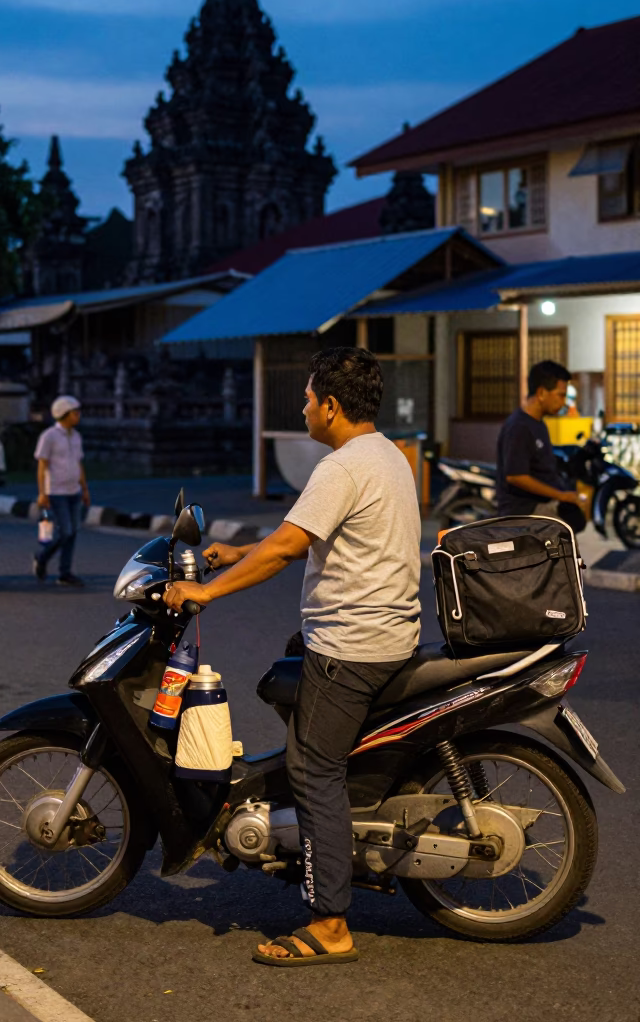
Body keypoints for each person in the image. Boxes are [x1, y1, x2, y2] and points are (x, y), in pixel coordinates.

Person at [164, 347, 421, 967]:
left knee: (313, 771)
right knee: (288, 681)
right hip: (386, 635)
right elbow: (299, 537)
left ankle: (330, 923)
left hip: (353, 647)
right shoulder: (386, 454)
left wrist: (205, 590)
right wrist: (238, 551)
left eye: (307, 398)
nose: (303, 407)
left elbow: (286, 550)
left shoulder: (341, 467)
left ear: (330, 406)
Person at [496, 359, 586, 528]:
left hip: (541, 504)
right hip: (525, 510)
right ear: (542, 393)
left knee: (576, 520)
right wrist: (560, 495)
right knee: (566, 532)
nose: (564, 401)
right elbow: (516, 476)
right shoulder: (519, 426)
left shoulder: (538, 423)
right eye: (561, 394)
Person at [33, 395, 90, 587]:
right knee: (64, 532)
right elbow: (42, 465)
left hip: (73, 491)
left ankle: (65, 573)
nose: (78, 416)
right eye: (75, 413)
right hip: (56, 492)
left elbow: (78, 464)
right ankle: (41, 557)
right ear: (64, 415)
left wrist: (84, 489)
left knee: (73, 532)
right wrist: (42, 492)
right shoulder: (49, 436)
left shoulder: (77, 436)